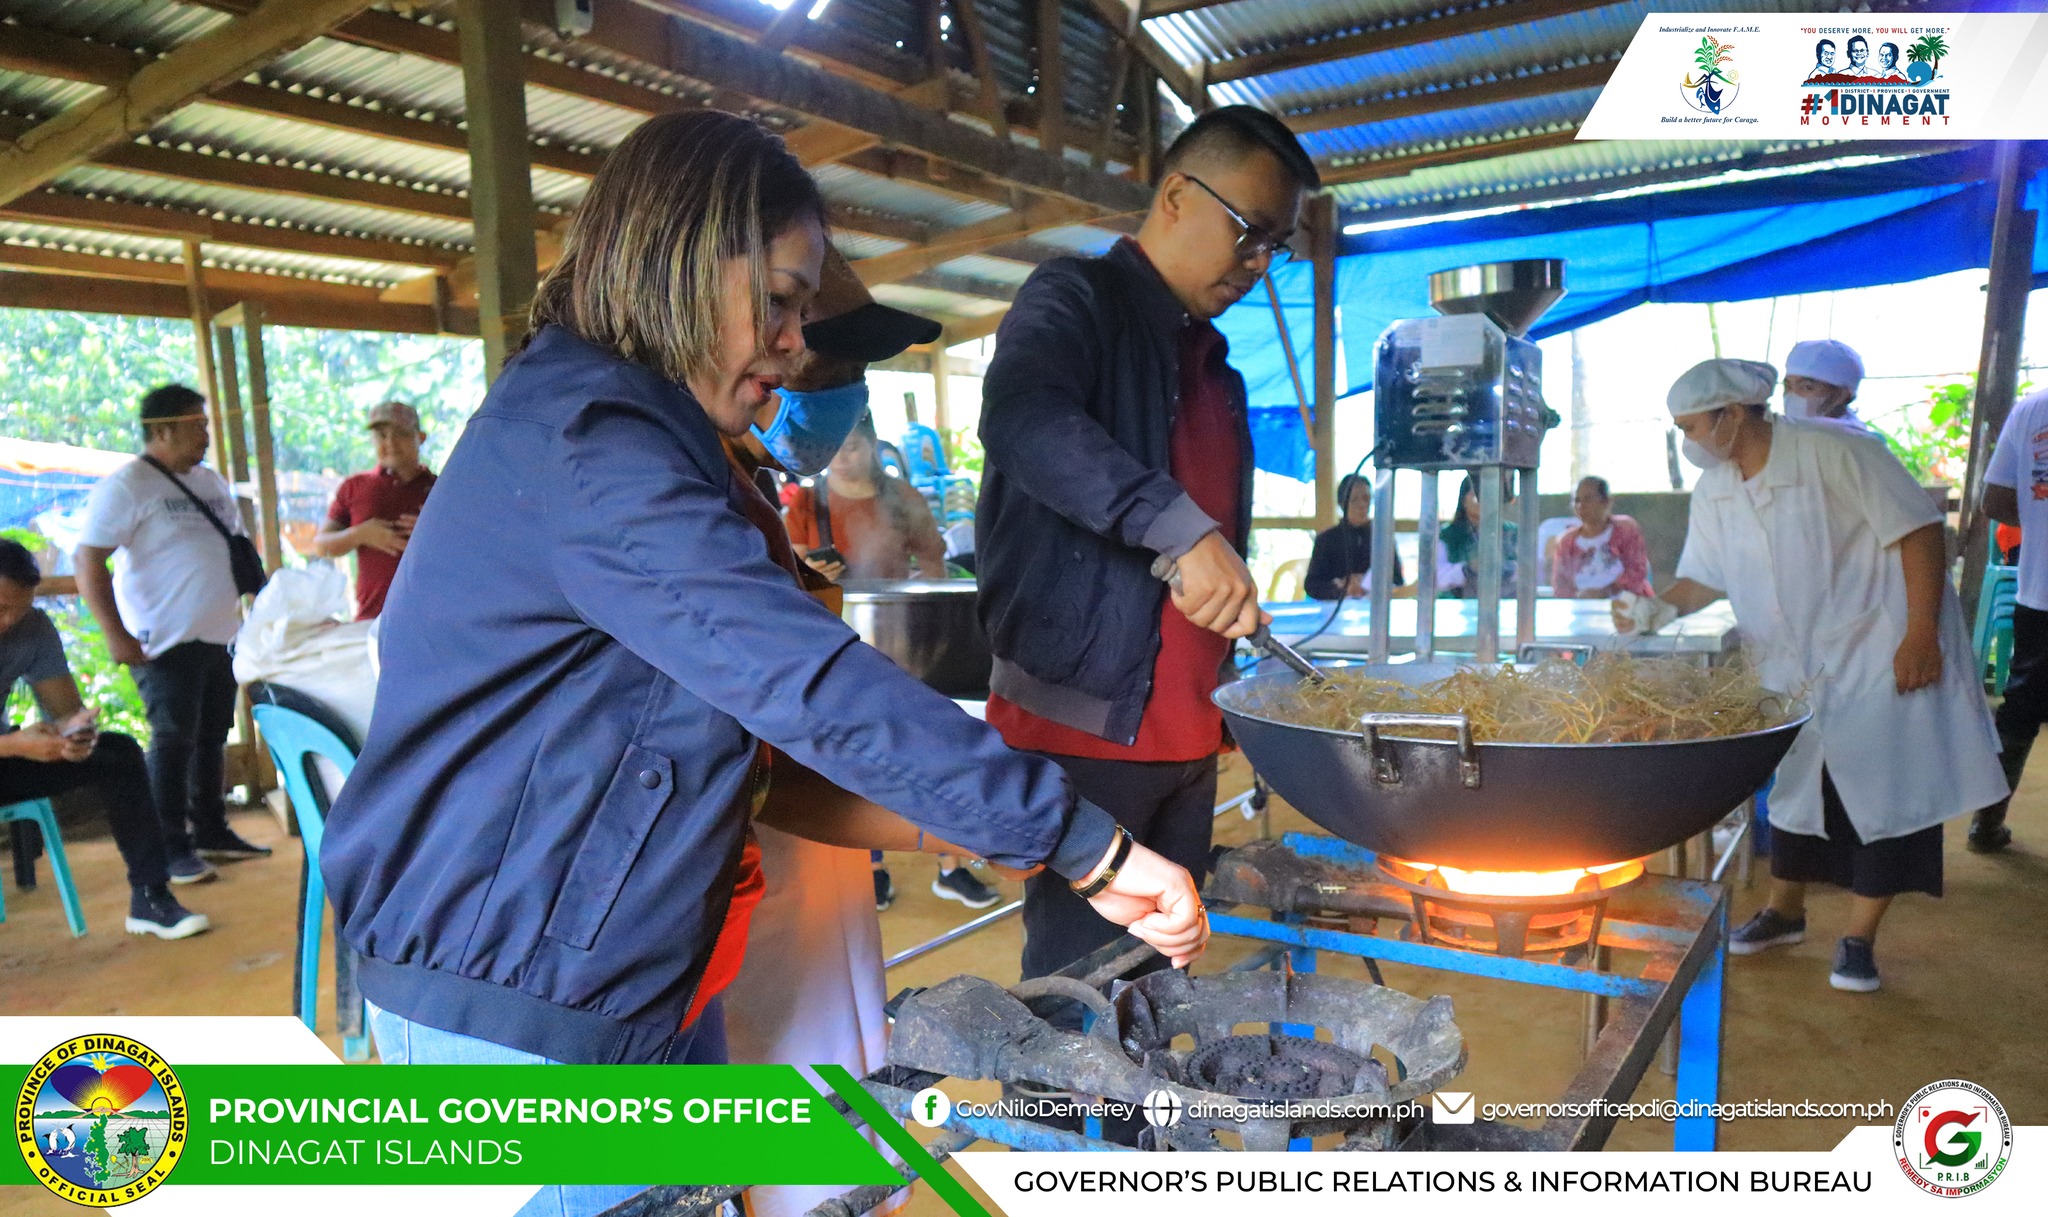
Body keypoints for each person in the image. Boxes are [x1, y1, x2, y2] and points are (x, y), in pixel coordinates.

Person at [319, 113, 1206, 1217]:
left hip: (624, 962)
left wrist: (987, 826)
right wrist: (1081, 842)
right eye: (779, 302)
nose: (792, 346)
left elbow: (752, 742)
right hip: (519, 998)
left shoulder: (644, 442)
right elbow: (808, 683)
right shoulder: (597, 447)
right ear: (684, 261)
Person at [976, 104, 1315, 984]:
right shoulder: (1074, 301)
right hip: (1087, 733)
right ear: (1175, 195)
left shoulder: (1218, 370)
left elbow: (1212, 547)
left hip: (1187, 733)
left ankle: (1149, 1125)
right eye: (1248, 232)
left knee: (1161, 983)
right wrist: (1179, 530)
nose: (1256, 263)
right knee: (1081, 999)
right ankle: (1062, 1123)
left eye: (1273, 246)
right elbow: (1024, 419)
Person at [1622, 359, 2004, 993]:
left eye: (1691, 427)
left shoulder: (1834, 451)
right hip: (1790, 666)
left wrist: (1919, 636)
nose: (1688, 442)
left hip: (1874, 649)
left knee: (1888, 789)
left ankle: (1858, 939)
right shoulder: (1717, 487)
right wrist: (1657, 606)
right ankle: (1784, 912)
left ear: (1733, 416)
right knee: (1800, 787)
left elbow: (1920, 531)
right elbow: (1702, 577)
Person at [74, 384, 274, 887]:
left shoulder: (210, 482)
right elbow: (88, 560)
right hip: (162, 639)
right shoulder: (127, 485)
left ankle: (211, 828)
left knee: (211, 736)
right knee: (172, 739)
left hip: (221, 636)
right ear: (160, 429)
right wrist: (114, 634)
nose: (207, 434)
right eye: (197, 425)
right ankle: (169, 846)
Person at [0, 541, 209, 939]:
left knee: (118, 753)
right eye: (0, 608)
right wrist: (12, 746)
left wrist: (73, 735)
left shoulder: (33, 628)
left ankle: (151, 897)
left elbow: (64, 710)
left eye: (18, 610)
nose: (8, 622)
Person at [1972, 386, 2048, 853]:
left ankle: (1986, 822)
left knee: (2021, 709)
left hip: (2042, 589)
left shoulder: (2033, 408)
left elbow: (1995, 501)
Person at [310, 401, 437, 621]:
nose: (390, 443)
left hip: (433, 617)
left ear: (421, 438)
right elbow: (322, 545)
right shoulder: (354, 487)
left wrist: (434, 532)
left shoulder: (442, 489)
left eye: (400, 434)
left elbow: (476, 547)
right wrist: (360, 534)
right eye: (381, 435)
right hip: (372, 618)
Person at [783, 414, 949, 582]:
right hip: (826, 607)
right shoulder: (806, 501)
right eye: (831, 448)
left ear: (872, 442)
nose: (840, 458)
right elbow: (789, 574)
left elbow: (933, 565)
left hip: (892, 607)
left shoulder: (903, 497)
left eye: (851, 447)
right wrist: (810, 576)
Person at [1551, 476, 1653, 599]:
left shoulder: (1626, 529)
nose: (1581, 506)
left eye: (1588, 499)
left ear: (1606, 501)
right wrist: (1580, 598)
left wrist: (1606, 592)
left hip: (1627, 608)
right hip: (1582, 610)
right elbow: (1560, 585)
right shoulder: (1566, 542)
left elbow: (1637, 571)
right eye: (1577, 501)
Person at [1305, 473, 1404, 600]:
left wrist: (1370, 584)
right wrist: (1341, 587)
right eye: (1354, 499)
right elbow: (1312, 585)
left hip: (1374, 607)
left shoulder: (1382, 539)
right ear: (1342, 503)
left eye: (1366, 498)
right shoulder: (1327, 539)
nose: (1362, 504)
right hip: (1336, 608)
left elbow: (1398, 581)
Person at [1436, 473, 1519, 598]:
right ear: (1464, 500)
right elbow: (1438, 577)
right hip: (1455, 606)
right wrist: (1468, 569)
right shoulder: (1446, 535)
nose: (1484, 501)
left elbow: (1530, 571)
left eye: (1490, 495)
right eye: (1477, 495)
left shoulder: (1513, 532)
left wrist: (1504, 568)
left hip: (1504, 602)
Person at [1782, 339, 1867, 428]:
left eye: (1807, 387)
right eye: (1788, 386)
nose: (1792, 394)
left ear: (1841, 395)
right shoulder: (1785, 434)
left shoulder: (1856, 439)